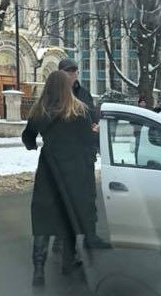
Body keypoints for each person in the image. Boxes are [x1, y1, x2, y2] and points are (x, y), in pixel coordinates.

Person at [22, 71, 97, 287]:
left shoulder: (39, 110)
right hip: (73, 170)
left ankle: (38, 269)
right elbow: (87, 140)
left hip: (48, 170)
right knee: (67, 214)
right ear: (67, 87)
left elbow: (28, 137)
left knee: (43, 217)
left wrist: (34, 145)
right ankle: (68, 262)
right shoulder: (80, 110)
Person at [56, 58, 112, 249]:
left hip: (85, 156)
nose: (72, 75)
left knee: (88, 197)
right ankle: (60, 238)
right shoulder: (55, 97)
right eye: (68, 72)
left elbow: (92, 118)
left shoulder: (84, 94)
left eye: (74, 72)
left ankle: (91, 236)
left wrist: (96, 129)